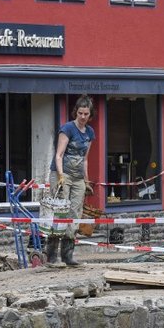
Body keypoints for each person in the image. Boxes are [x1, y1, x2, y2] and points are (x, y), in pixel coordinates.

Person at [46, 95, 95, 267]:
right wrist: (60, 176)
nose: (83, 116)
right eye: (80, 113)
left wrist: (86, 180)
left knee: (75, 213)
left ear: (90, 114)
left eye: (86, 114)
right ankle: (51, 256)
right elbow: (59, 155)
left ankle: (68, 255)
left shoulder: (89, 133)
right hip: (63, 174)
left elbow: (85, 159)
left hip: (78, 177)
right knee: (60, 211)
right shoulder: (67, 128)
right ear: (76, 112)